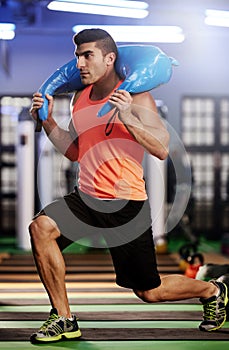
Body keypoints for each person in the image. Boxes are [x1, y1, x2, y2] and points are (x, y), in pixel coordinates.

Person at [29, 28, 228, 343]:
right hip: (86, 198)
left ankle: (212, 290)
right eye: (77, 55)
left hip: (126, 205)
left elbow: (161, 149)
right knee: (41, 228)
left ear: (109, 58)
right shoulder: (80, 98)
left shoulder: (137, 96)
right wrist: (49, 121)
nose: (80, 62)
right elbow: (76, 151)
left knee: (149, 291)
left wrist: (127, 116)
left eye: (87, 55)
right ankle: (64, 318)